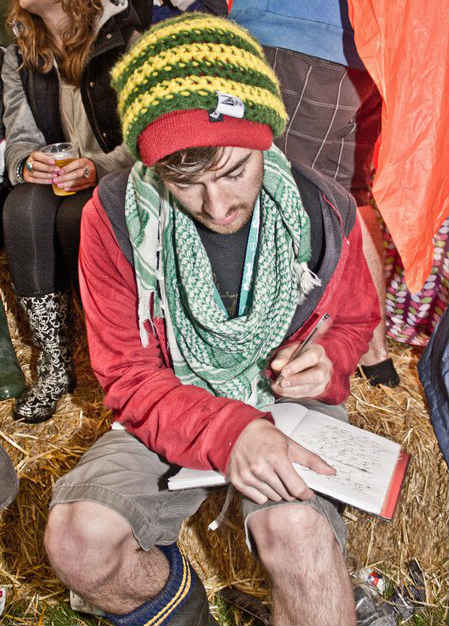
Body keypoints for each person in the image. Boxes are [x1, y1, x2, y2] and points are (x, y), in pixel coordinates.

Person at [43, 14, 380, 626]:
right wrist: (228, 431)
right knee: (78, 540)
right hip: (176, 395)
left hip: (286, 405)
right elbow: (126, 375)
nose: (217, 206)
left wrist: (329, 358)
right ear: (151, 161)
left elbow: (355, 320)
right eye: (185, 182)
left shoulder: (323, 208)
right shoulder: (115, 219)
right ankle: (184, 612)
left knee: (298, 533)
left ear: (264, 139)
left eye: (234, 172)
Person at [230, 1, 400, 388]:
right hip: (372, 47)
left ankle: (291, 352)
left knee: (290, 194)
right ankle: (375, 356)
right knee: (350, 197)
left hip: (297, 35)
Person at [0, 0, 153, 424]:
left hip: (121, 174)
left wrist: (100, 168)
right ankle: (55, 364)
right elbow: (20, 135)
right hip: (63, 178)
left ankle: (110, 357)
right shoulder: (21, 52)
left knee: (78, 216)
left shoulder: (124, 35)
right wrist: (26, 162)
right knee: (22, 206)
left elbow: (148, 132)